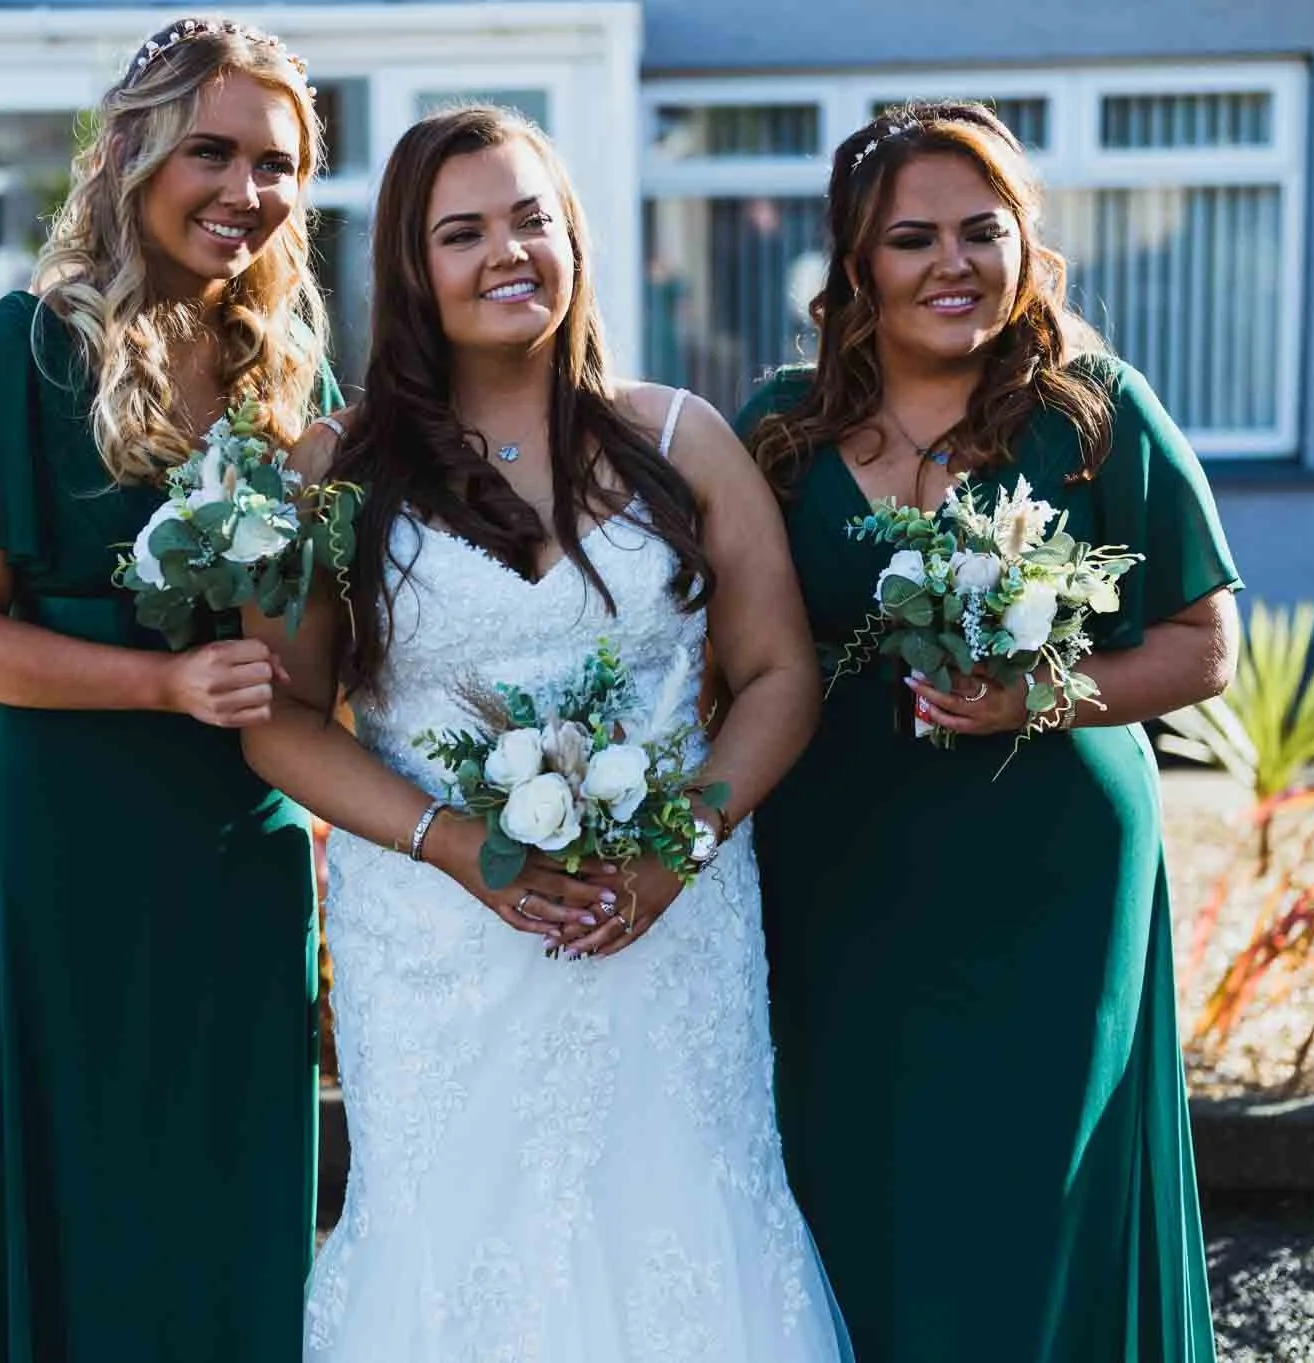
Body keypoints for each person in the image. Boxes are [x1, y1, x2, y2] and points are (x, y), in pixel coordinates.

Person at [240, 105, 852, 1362]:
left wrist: (676, 845)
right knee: (454, 1241)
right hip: (433, 939)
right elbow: (281, 723)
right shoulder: (333, 470)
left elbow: (780, 671)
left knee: (680, 1213)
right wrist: (456, 841)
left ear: (572, 234)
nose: (504, 252)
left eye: (530, 218)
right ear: (410, 271)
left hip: (668, 927)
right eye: (460, 232)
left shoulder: (682, 439)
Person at [736, 101, 1238, 1362]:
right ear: (856, 263)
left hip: (1047, 869)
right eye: (911, 238)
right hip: (839, 870)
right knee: (856, 1177)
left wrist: (1036, 694)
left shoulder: (1092, 414)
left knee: (1032, 1193)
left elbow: (1201, 645)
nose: (950, 263)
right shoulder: (780, 431)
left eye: (982, 230)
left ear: (1025, 244)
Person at [0, 19, 340, 1361]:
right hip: (66, 840)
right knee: (75, 1175)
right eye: (213, 149)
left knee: (227, 1179)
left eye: (277, 163)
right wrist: (164, 681)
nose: (245, 190)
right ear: (135, 149)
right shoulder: (25, 348)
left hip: (237, 841)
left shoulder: (286, 376)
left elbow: (299, 635)